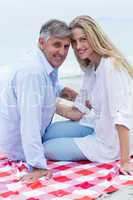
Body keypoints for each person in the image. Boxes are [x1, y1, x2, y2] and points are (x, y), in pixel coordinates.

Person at [44, 15, 133, 175]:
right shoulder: (90, 69)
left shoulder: (110, 67)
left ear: (95, 37)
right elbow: (78, 112)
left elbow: (123, 116)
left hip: (110, 143)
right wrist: (46, 100)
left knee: (45, 148)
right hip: (95, 126)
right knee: (46, 134)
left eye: (83, 39)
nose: (78, 46)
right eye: (74, 42)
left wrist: (125, 160)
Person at [0, 19, 79, 183]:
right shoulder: (32, 73)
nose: (62, 52)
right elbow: (29, 122)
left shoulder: (44, 62)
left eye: (66, 47)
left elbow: (49, 83)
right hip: (20, 148)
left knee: (85, 126)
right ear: (42, 43)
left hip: (39, 134)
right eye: (57, 45)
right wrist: (37, 165)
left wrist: (62, 90)